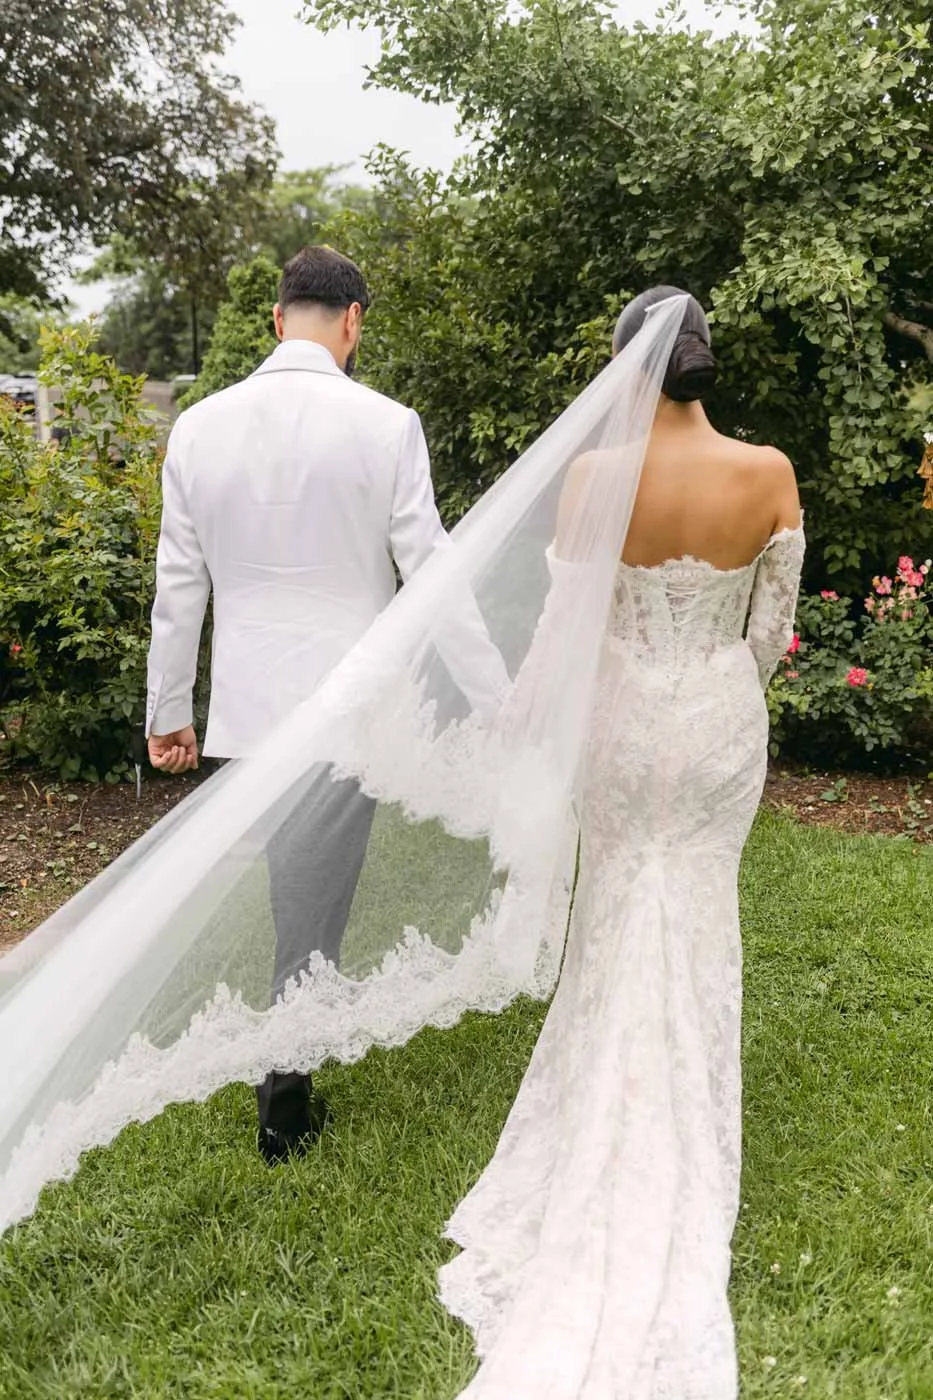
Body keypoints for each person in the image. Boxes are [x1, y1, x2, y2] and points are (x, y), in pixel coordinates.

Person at [437, 287, 805, 1397]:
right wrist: (712, 682)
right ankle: (685, 1112)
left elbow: (568, 636)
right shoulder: (769, 472)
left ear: (624, 370)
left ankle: (600, 1111)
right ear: (704, 363)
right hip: (716, 724)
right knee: (695, 903)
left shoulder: (591, 481)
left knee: (614, 906)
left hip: (622, 728)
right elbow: (771, 637)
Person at [144, 244, 508, 1164]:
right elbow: (431, 575)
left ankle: (283, 1069)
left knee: (293, 890)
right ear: (352, 322)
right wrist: (496, 696)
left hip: (245, 710)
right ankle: (283, 1099)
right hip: (347, 706)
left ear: (277, 318)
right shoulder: (387, 425)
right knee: (312, 902)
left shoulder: (197, 427)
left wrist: (166, 711)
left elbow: (178, 584)